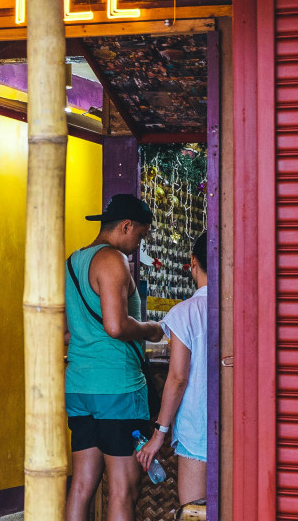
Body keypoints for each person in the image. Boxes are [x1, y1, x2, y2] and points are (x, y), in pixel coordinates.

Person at [64, 194, 165, 521]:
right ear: (126, 226)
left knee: (81, 486)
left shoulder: (73, 262)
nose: (138, 245)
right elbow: (116, 325)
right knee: (124, 488)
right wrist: (152, 329)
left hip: (80, 386)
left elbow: (66, 332)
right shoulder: (112, 259)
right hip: (117, 388)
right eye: (141, 235)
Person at [136, 231, 208, 506]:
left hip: (198, 428)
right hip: (241, 427)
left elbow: (178, 378)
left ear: (193, 261)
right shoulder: (242, 309)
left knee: (193, 510)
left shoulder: (186, 312)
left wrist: (159, 435)